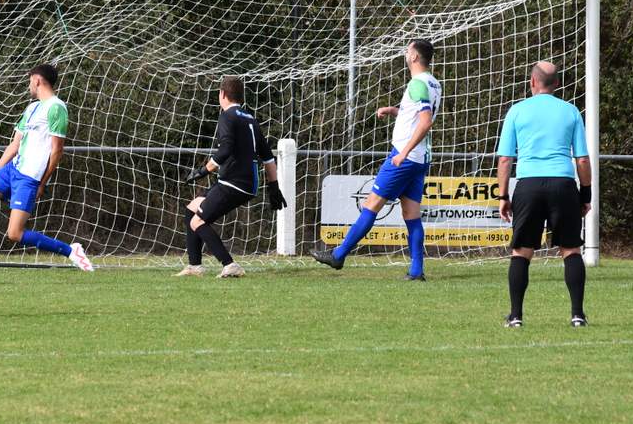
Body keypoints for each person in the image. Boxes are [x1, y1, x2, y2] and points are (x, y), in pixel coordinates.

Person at [312, 39, 441, 280]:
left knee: (371, 204)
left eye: (407, 50)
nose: (405, 53)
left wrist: (402, 153)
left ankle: (338, 255)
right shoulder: (434, 83)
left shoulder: (417, 83)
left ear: (414, 57)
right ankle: (416, 270)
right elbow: (416, 115)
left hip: (405, 157)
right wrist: (394, 111)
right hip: (421, 158)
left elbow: (425, 122)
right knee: (411, 213)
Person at [0, 63, 94, 272]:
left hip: (29, 177)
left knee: (14, 234)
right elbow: (15, 145)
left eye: (29, 82)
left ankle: (71, 251)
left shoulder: (56, 107)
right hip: (12, 170)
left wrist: (43, 182)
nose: (29, 86)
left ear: (37, 80)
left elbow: (57, 150)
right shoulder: (32, 108)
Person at [496, 60, 592, 328]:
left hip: (529, 184)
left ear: (532, 82)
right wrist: (586, 194)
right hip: (563, 184)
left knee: (521, 252)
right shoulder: (571, 111)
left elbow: (505, 159)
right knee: (571, 249)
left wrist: (503, 196)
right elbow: (582, 160)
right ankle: (577, 315)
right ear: (557, 84)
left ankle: (515, 316)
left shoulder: (517, 111)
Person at [179, 75, 286, 278]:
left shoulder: (227, 116)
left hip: (233, 183)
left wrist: (203, 171)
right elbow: (268, 158)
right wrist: (274, 187)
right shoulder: (250, 119)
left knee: (198, 222)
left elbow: (225, 150)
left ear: (222, 94)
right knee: (191, 209)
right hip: (244, 184)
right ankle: (195, 266)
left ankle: (229, 265)